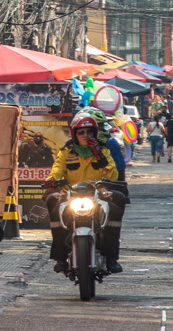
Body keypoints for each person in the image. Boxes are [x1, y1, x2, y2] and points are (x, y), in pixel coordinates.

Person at [44, 110, 127, 275]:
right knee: (51, 202)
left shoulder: (102, 150)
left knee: (119, 200)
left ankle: (112, 257)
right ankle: (60, 257)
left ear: (95, 133)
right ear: (75, 133)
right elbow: (57, 169)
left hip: (97, 193)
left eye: (90, 131)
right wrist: (52, 181)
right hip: (71, 193)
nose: (86, 135)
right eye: (81, 132)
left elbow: (112, 174)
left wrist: (99, 156)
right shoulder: (67, 150)